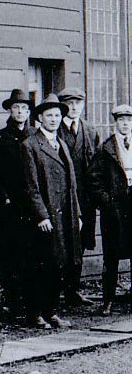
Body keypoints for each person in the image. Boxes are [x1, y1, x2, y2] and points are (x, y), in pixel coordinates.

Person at [21, 94, 82, 329]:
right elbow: (30, 186)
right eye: (49, 115)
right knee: (41, 265)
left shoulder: (62, 143)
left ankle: (52, 311)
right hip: (45, 217)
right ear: (39, 118)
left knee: (60, 263)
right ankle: (35, 313)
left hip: (64, 215)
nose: (54, 119)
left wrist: (75, 214)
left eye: (57, 115)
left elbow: (71, 183)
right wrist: (41, 215)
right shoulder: (31, 145)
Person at [88, 105, 132, 315]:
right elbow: (94, 180)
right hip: (114, 211)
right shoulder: (105, 148)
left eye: (129, 119)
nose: (125, 123)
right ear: (116, 122)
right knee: (112, 257)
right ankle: (107, 301)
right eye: (121, 119)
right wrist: (108, 202)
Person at [56, 87, 100, 306]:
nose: (74, 108)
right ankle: (58, 290)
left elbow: (97, 165)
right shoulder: (55, 129)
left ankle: (73, 289)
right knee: (61, 241)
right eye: (70, 104)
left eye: (78, 103)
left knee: (81, 243)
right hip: (62, 197)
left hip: (85, 198)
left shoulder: (90, 131)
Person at [0, 89, 34, 316]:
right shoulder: (2, 138)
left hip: (31, 202)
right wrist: (4, 197)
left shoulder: (34, 136)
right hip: (9, 204)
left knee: (30, 251)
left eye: (23, 108)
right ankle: (11, 299)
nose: (20, 111)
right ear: (10, 111)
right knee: (10, 251)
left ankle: (26, 297)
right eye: (16, 108)